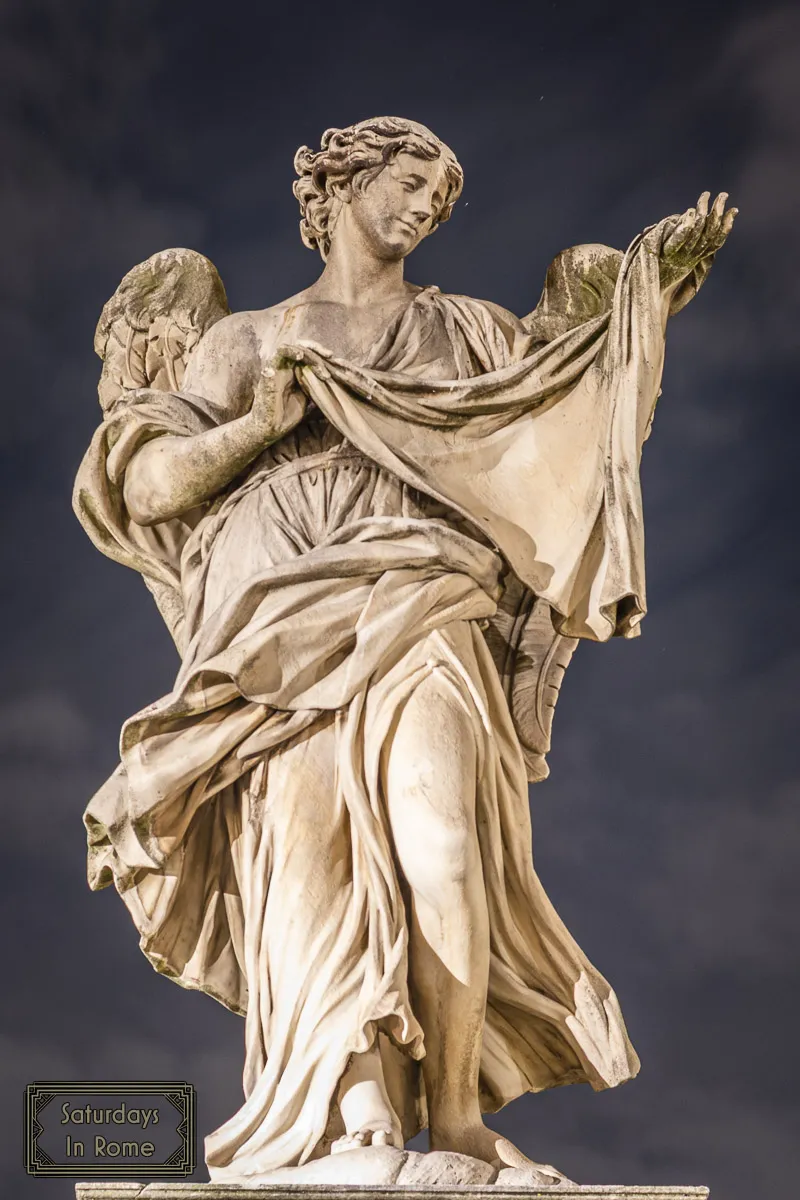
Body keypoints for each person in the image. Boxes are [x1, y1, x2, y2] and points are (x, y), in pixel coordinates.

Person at [75, 116, 735, 1184]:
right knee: (310, 866)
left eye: (443, 192)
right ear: (342, 180)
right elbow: (146, 485)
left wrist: (640, 307)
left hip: (425, 596)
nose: (428, 202)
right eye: (411, 177)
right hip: (274, 626)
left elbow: (571, 428)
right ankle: (358, 1110)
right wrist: (259, 424)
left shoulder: (470, 331)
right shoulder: (241, 342)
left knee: (444, 848)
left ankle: (456, 1114)